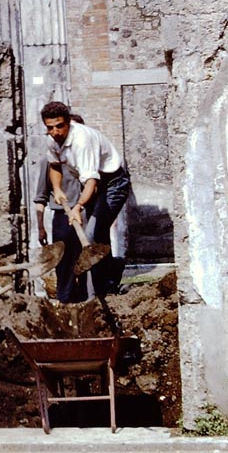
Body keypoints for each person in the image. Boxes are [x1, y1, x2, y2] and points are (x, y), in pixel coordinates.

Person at [41, 101, 131, 297]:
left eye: (60, 126)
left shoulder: (82, 140)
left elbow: (91, 181)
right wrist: (57, 189)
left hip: (113, 183)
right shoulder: (51, 139)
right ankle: (103, 286)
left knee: (91, 236)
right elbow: (55, 166)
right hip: (94, 185)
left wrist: (78, 206)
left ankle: (98, 292)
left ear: (68, 124)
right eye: (50, 127)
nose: (55, 132)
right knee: (95, 237)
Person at [34, 114, 88, 303]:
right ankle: (66, 303)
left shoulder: (86, 157)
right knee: (64, 264)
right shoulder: (48, 162)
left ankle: (89, 303)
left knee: (88, 261)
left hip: (84, 215)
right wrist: (40, 227)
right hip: (62, 218)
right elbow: (40, 197)